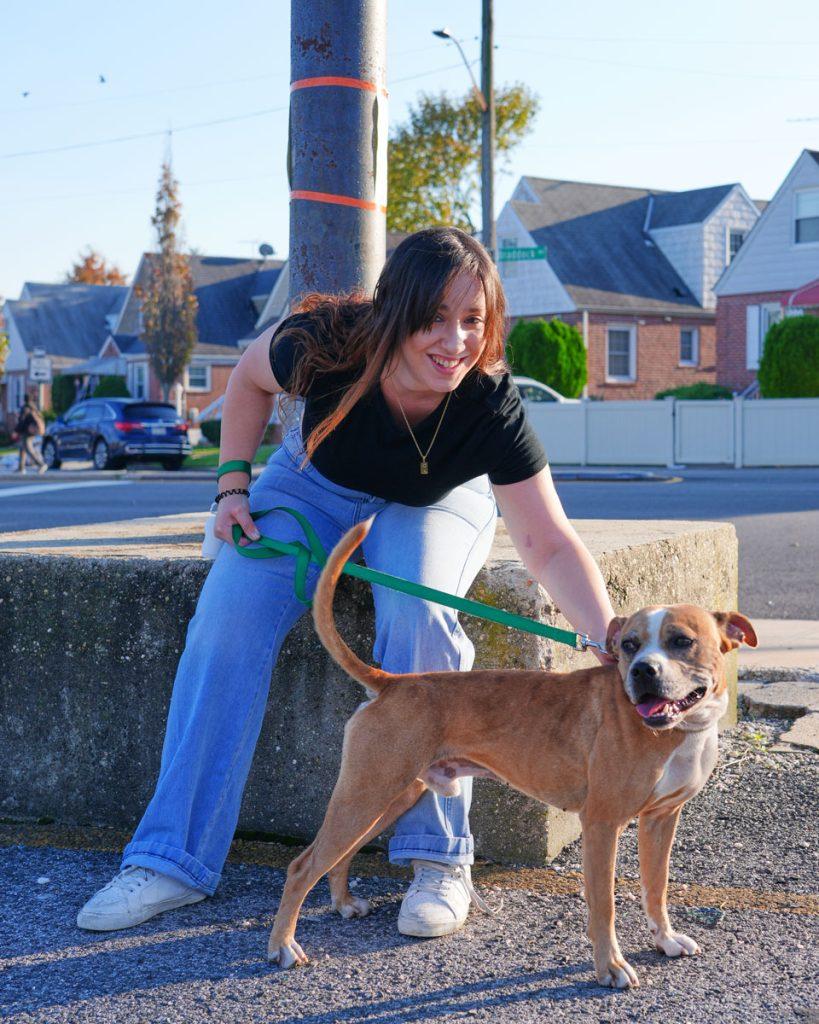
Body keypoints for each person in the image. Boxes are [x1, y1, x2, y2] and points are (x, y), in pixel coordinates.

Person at [77, 227, 616, 937]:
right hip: (312, 484)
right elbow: (243, 380)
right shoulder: (324, 342)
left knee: (418, 618)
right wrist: (231, 486)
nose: (454, 341)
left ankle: (437, 860)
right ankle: (170, 859)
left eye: (472, 320)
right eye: (433, 319)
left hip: (434, 502)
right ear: (392, 312)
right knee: (226, 620)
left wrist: (613, 639)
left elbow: (546, 540)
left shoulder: (488, 401)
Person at [13, 393, 47, 475]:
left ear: (24, 399)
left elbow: (22, 421)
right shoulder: (34, 407)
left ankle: (41, 464)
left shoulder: (25, 408)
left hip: (26, 432)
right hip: (32, 431)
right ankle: (21, 468)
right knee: (22, 449)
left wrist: (16, 431)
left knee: (29, 449)